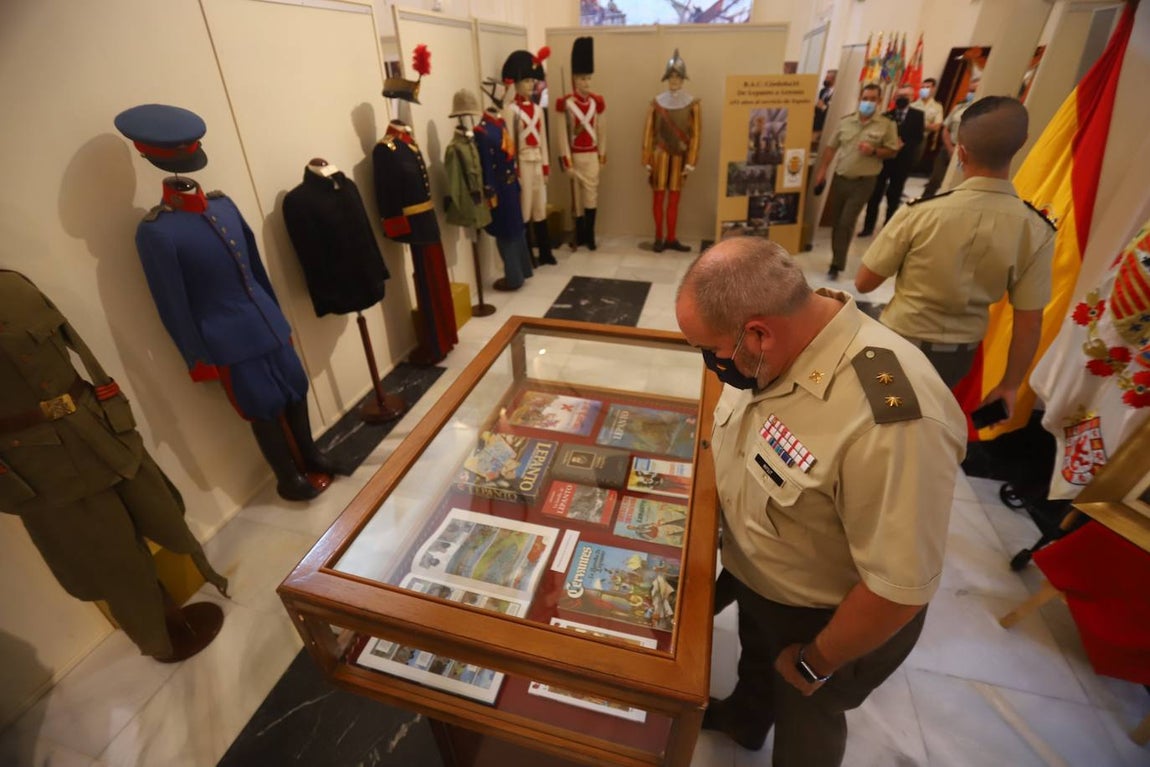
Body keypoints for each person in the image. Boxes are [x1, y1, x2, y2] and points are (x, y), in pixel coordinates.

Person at [675, 236, 966, 765]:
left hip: (828, 619)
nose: (709, 364)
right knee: (757, 664)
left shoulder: (893, 421)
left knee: (806, 716)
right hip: (763, 578)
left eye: (710, 351)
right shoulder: (776, 346)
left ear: (758, 333)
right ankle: (745, 720)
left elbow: (898, 589)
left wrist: (816, 661)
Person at [855, 96, 1055, 405]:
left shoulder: (920, 213)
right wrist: (1010, 385)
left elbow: (864, 283)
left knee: (877, 415)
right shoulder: (1036, 229)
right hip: (961, 357)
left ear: (960, 151)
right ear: (1021, 144)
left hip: (898, 341)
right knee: (934, 419)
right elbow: (1030, 322)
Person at [812, 83, 899, 280]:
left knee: (846, 222)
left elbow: (892, 151)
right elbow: (831, 148)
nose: (868, 102)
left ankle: (836, 264)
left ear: (879, 101)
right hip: (840, 179)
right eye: (865, 98)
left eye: (872, 99)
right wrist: (822, 171)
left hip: (864, 182)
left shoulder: (886, 125)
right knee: (837, 222)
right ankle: (837, 256)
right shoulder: (846, 122)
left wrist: (874, 151)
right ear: (860, 98)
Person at [502, 47, 558, 267]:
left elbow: (543, 140)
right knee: (525, 210)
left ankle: (545, 252)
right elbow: (510, 145)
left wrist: (545, 166)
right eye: (525, 81)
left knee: (539, 208)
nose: (530, 85)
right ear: (516, 83)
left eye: (531, 81)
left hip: (536, 161)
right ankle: (527, 257)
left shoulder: (537, 110)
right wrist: (514, 170)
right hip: (522, 163)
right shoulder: (510, 110)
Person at [642, 48, 701, 253]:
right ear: (667, 78)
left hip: (679, 158)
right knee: (658, 198)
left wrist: (691, 160)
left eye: (678, 76)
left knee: (674, 200)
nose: (674, 80)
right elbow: (649, 132)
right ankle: (659, 237)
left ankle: (671, 238)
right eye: (672, 76)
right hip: (660, 156)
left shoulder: (692, 104)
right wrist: (647, 158)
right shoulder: (656, 103)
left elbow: (696, 134)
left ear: (683, 79)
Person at [556, 36, 607, 251]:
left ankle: (590, 235)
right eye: (583, 78)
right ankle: (580, 234)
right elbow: (562, 136)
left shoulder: (597, 103)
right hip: (575, 156)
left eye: (589, 78)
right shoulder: (566, 104)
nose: (587, 83)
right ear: (575, 79)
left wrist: (602, 156)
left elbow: (602, 132)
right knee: (576, 200)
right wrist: (566, 162)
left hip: (591, 155)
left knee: (591, 197)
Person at [858, 84, 924, 237]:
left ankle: (887, 227)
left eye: (905, 96)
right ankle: (868, 227)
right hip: (885, 160)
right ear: (894, 97)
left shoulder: (917, 115)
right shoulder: (887, 116)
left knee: (894, 196)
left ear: (912, 97)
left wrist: (902, 144)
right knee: (875, 195)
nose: (902, 99)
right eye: (899, 96)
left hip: (903, 162)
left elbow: (918, 138)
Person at [921, 78, 979, 200]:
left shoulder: (981, 112)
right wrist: (950, 148)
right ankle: (924, 201)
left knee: (956, 184)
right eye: (969, 90)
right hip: (948, 149)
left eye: (973, 91)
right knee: (935, 179)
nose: (970, 93)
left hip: (966, 153)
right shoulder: (959, 107)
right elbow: (946, 128)